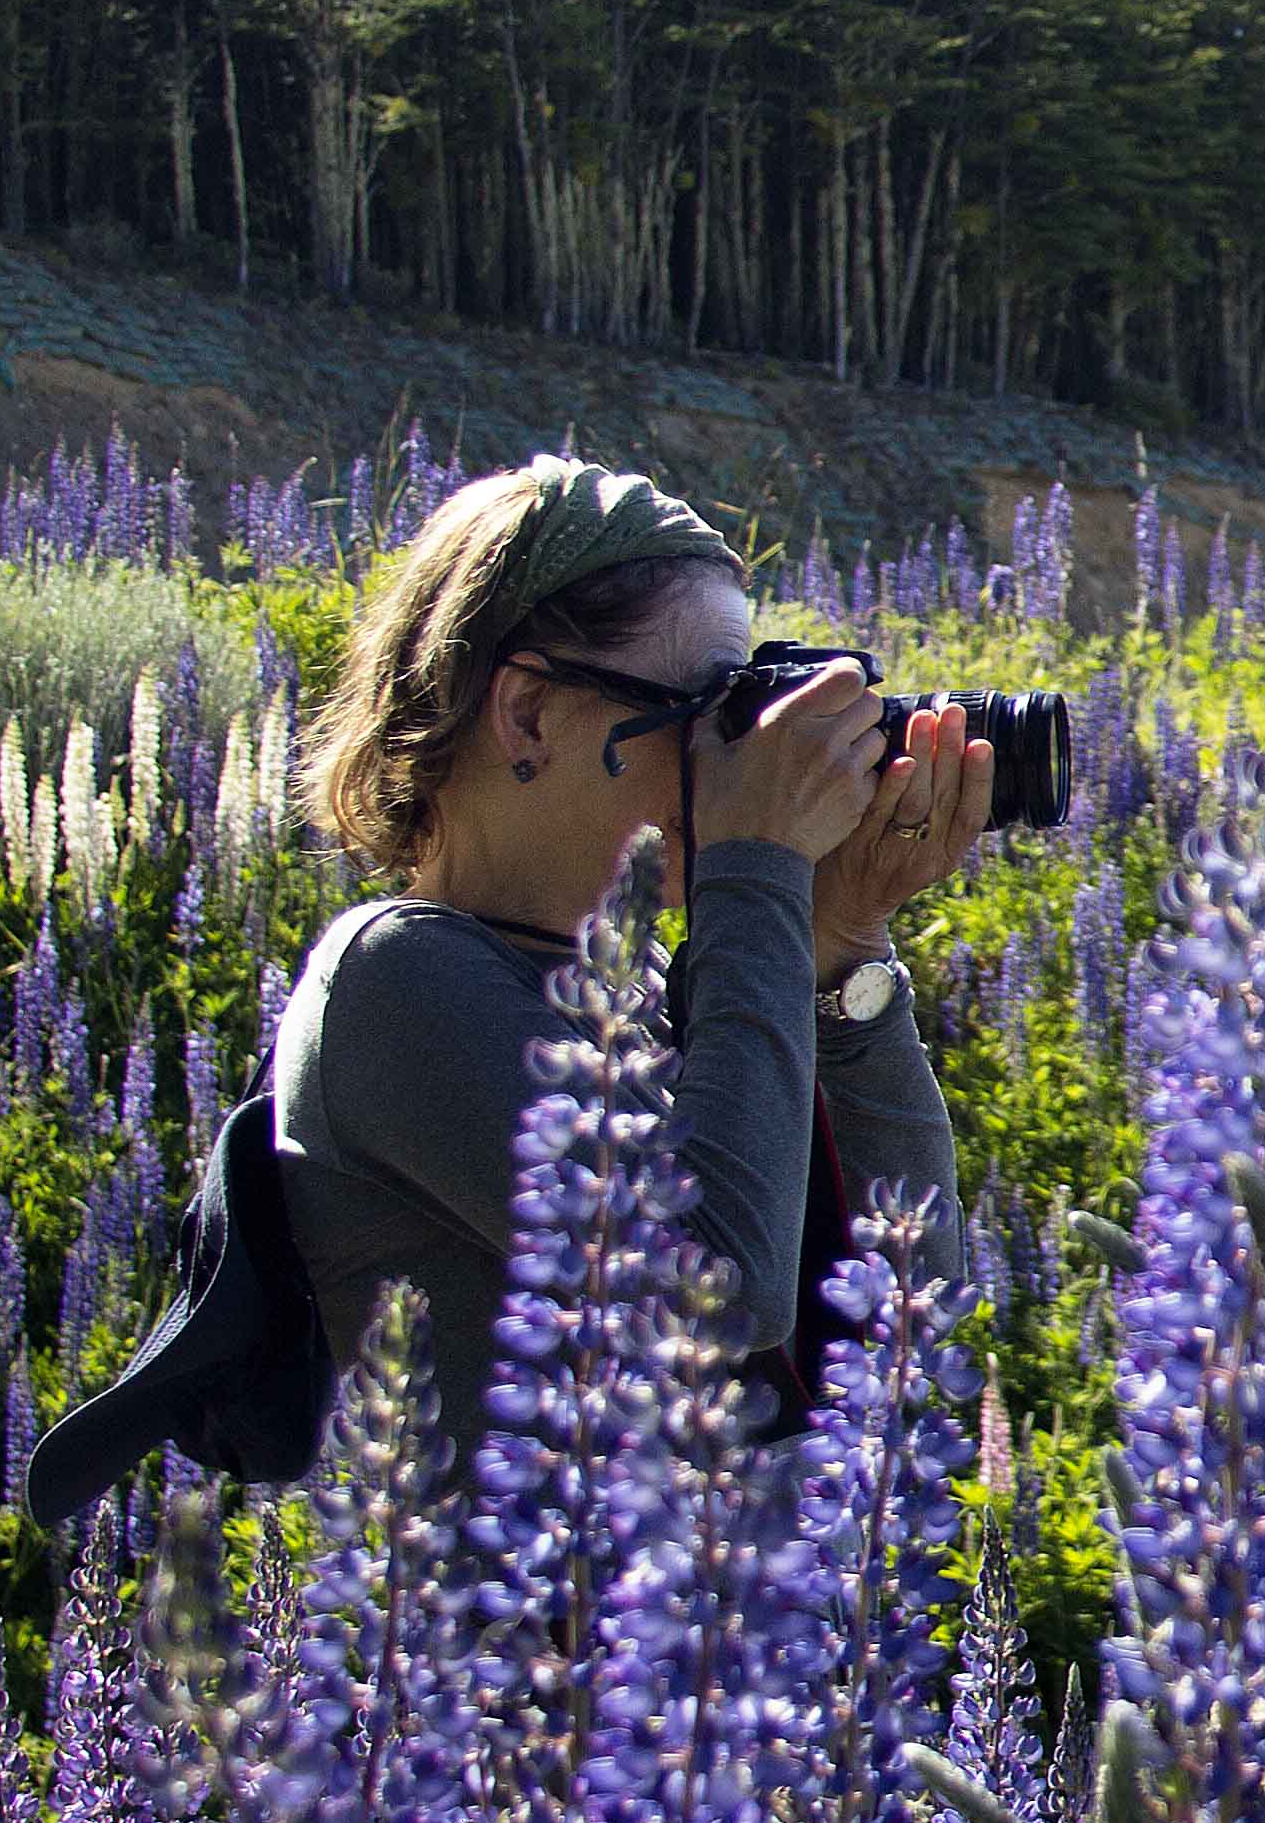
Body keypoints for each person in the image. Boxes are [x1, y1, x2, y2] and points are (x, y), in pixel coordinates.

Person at [270, 453, 994, 1438]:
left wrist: (839, 947)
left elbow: (907, 1327)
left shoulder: (641, 994)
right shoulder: (393, 981)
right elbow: (719, 1294)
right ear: (527, 711)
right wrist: (757, 865)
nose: (725, 760)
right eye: (705, 713)